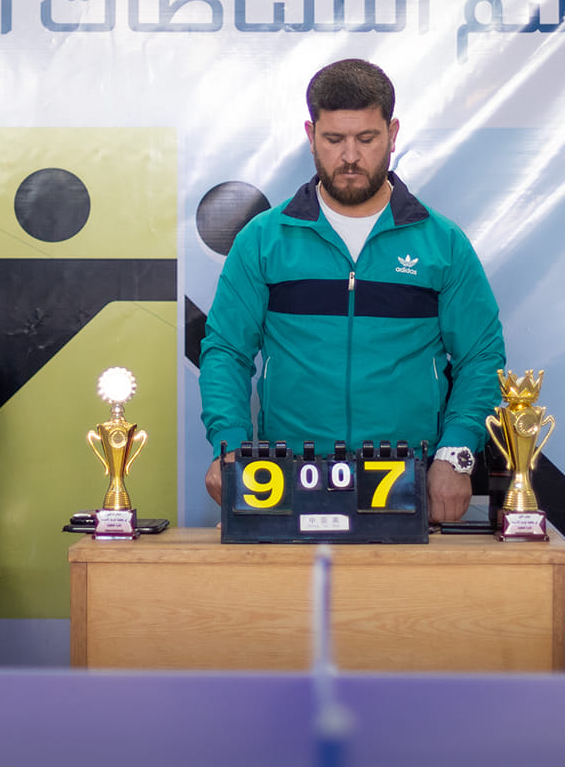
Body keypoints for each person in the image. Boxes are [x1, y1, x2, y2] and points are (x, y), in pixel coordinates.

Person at [200, 59, 506, 522]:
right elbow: (226, 351)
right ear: (310, 135)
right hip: (288, 482)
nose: (349, 156)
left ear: (392, 133)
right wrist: (230, 446)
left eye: (366, 139)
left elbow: (481, 356)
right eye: (333, 139)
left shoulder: (442, 243)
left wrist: (456, 453)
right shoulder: (263, 240)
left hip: (410, 485)